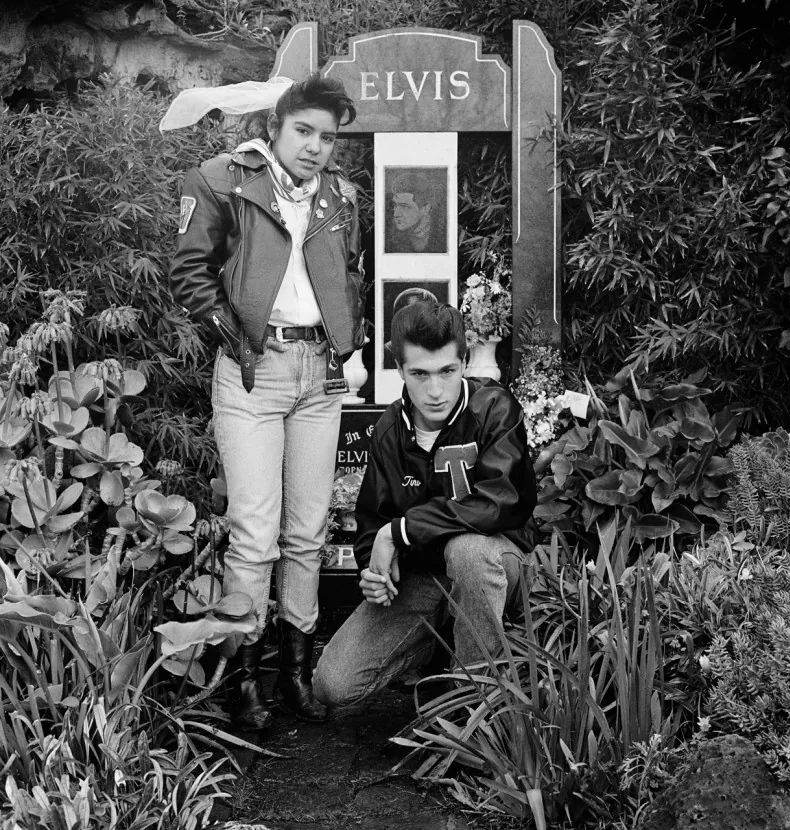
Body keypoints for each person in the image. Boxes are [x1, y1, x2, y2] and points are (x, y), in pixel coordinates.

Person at [169, 72, 362, 731]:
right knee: (255, 534)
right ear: (275, 128)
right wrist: (230, 329)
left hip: (321, 375)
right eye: (303, 131)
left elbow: (348, 270)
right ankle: (244, 676)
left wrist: (348, 339)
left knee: (308, 531)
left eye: (327, 137)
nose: (314, 147)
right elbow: (188, 268)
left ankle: (298, 674)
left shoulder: (339, 196)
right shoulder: (224, 180)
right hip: (253, 372)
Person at [313, 301, 539, 711]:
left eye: (446, 372)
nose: (435, 391)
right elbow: (372, 525)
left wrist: (400, 531)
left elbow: (500, 502)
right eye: (419, 374)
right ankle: (438, 648)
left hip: (495, 561)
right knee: (333, 686)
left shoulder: (493, 409)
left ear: (464, 362)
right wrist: (373, 571)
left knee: (468, 551)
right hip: (424, 579)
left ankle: (477, 709)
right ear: (399, 370)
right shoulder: (389, 429)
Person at [386, 171, 446, 254]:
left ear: (426, 209)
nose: (395, 214)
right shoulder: (391, 239)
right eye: (395, 205)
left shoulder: (445, 238)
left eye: (405, 207)